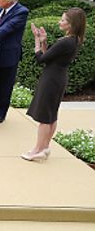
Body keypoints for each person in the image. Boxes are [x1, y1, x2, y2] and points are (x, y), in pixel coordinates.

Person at [22, 8, 87, 161]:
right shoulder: (74, 40)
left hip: (51, 79)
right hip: (58, 77)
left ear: (71, 24)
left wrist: (37, 41)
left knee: (45, 117)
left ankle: (37, 149)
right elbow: (50, 56)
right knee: (51, 115)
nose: (60, 22)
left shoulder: (66, 42)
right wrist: (44, 41)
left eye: (63, 20)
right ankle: (45, 147)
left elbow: (40, 59)